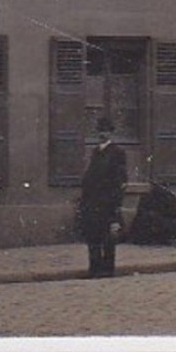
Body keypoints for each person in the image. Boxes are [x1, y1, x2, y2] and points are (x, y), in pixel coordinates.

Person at [77, 116, 129, 277]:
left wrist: (115, 206)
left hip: (108, 203)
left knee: (107, 239)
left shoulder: (117, 152)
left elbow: (120, 181)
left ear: (111, 133)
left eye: (105, 131)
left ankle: (107, 270)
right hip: (92, 203)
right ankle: (94, 269)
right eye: (100, 130)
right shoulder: (96, 152)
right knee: (93, 238)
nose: (102, 134)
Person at [127, 181, 176, 246]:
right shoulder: (149, 199)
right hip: (149, 233)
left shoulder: (168, 199)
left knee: (175, 222)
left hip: (160, 228)